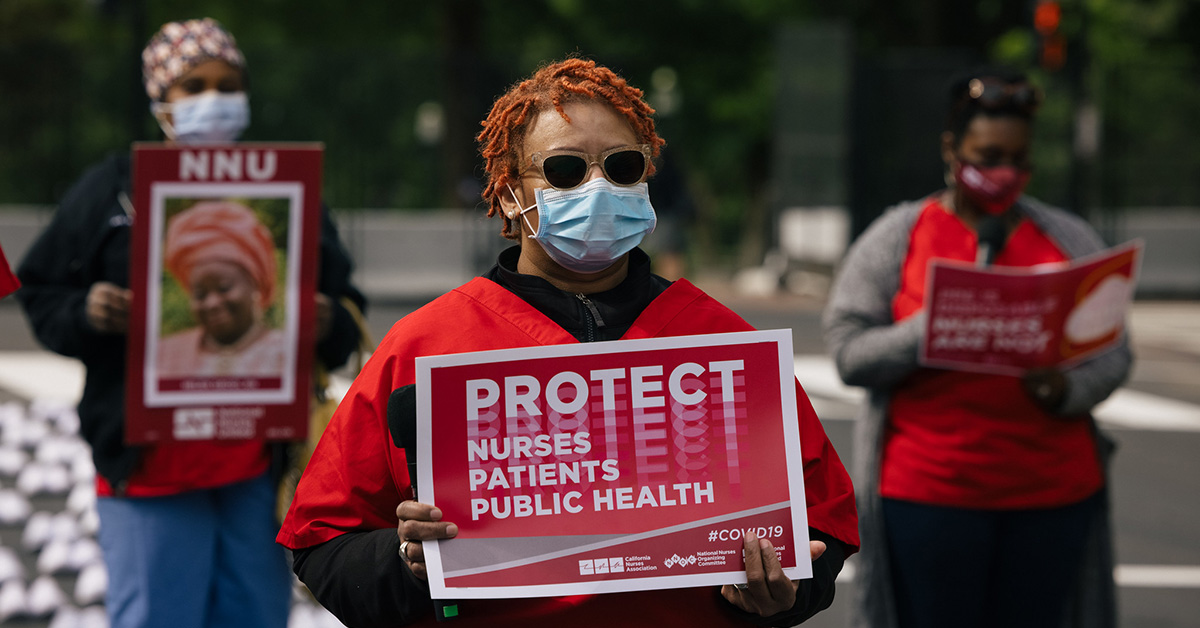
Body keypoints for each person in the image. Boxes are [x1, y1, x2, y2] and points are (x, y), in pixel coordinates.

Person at [277, 57, 859, 627]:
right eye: (564, 170)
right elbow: (323, 539)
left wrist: (787, 593)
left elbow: (822, 525)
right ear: (508, 194)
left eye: (623, 166)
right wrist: (407, 567)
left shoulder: (722, 344)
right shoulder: (427, 344)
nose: (599, 186)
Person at [16, 18, 366, 628]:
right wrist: (87, 311)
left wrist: (326, 320)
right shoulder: (113, 191)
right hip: (149, 471)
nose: (214, 98)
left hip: (261, 474)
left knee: (255, 615)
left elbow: (344, 305)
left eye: (228, 84)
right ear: (159, 103)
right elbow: (42, 288)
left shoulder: (289, 192)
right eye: (193, 85)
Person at [823, 68, 1132, 628]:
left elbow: (1114, 354)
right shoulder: (898, 235)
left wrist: (1066, 386)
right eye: (987, 157)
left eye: (1018, 160)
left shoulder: (1069, 238)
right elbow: (849, 353)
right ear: (951, 148)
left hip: (1054, 497)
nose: (1003, 173)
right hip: (928, 496)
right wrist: (931, 329)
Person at [157, 200, 287, 379]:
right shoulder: (164, 354)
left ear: (254, 283)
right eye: (200, 294)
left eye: (224, 288)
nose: (212, 303)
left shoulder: (287, 354)